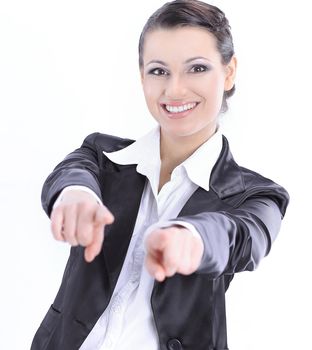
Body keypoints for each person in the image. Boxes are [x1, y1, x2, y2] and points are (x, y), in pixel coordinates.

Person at [31, 1, 289, 349]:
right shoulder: (101, 155)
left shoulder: (257, 195)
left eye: (197, 68)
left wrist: (192, 237)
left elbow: (241, 237)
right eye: (158, 71)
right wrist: (76, 193)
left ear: (228, 72)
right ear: (141, 77)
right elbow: (73, 172)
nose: (175, 90)